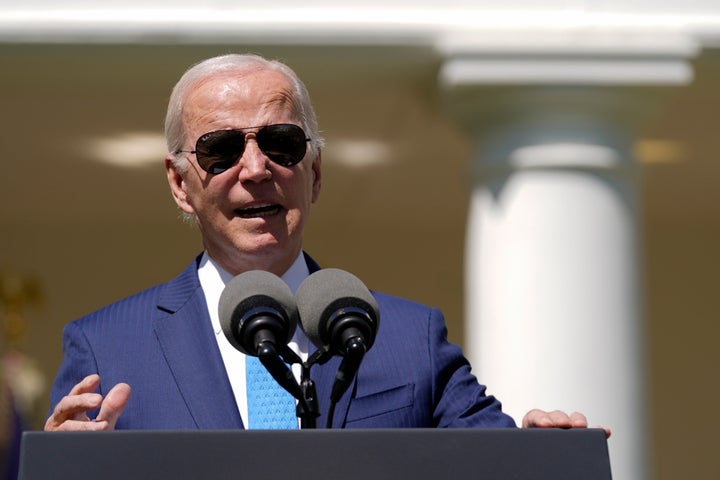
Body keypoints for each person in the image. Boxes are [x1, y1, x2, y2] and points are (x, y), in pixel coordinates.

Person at [44, 53, 601, 434]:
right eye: (221, 150)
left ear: (314, 173)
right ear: (179, 183)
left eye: (281, 143)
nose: (256, 168)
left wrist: (539, 453)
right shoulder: (108, 348)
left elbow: (493, 460)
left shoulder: (411, 339)